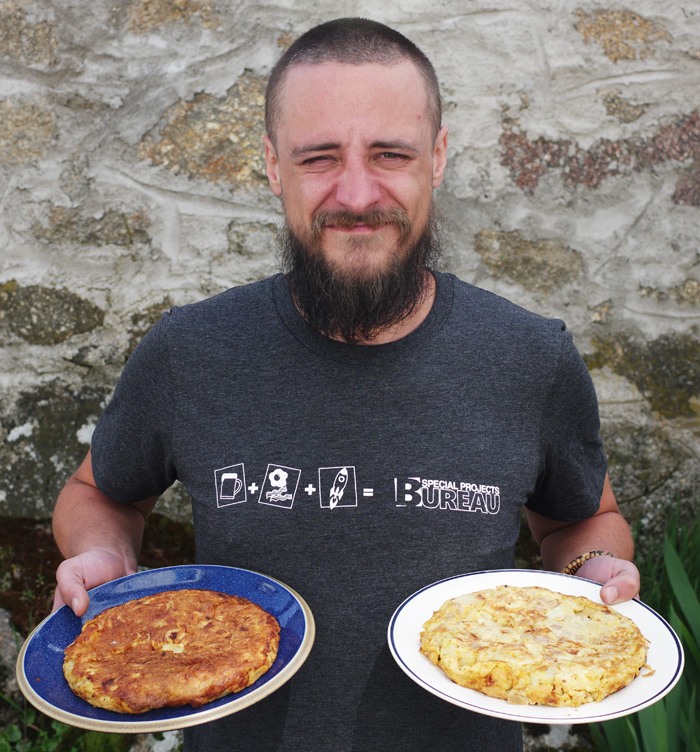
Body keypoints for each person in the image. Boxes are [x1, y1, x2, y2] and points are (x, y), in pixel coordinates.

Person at [52, 17, 640, 752]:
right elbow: (98, 494)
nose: (357, 193)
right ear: (273, 166)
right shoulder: (190, 351)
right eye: (319, 157)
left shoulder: (531, 355)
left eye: (390, 153)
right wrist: (107, 558)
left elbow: (582, 521)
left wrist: (595, 567)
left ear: (439, 156)